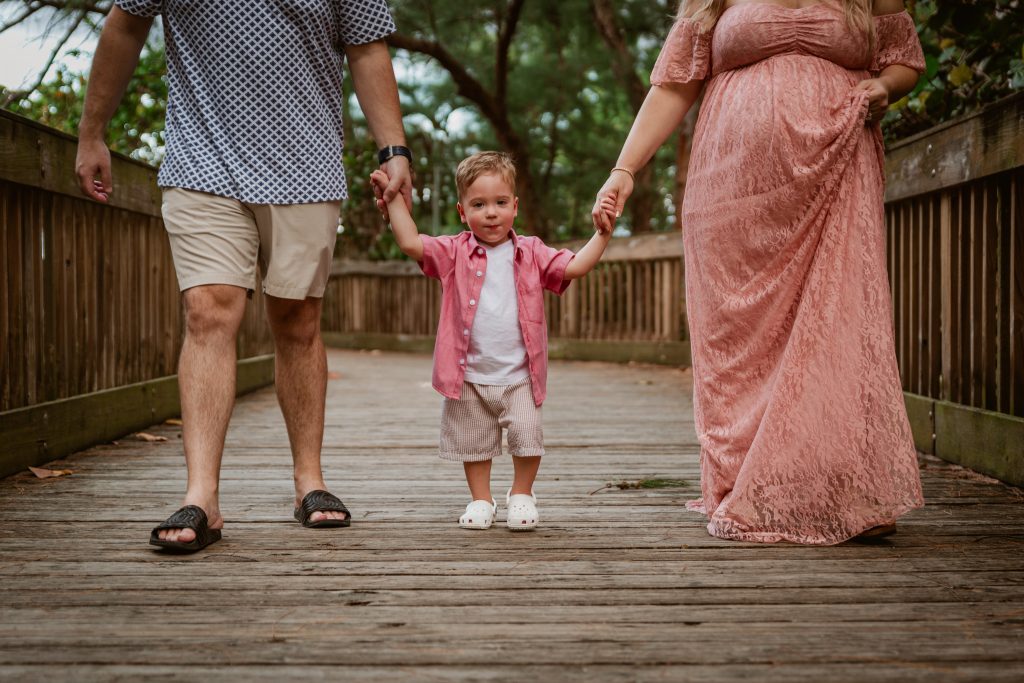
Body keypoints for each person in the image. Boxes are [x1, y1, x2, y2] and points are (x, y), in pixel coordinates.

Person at [75, 0, 413, 552]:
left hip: (307, 160)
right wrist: (93, 133)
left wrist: (393, 149)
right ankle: (202, 495)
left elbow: (367, 45)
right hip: (201, 159)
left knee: (297, 318)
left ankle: (310, 480)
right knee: (208, 309)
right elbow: (126, 22)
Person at [592, 0, 926, 544]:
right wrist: (624, 170)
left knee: (837, 322)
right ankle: (747, 481)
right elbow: (675, 83)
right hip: (733, 189)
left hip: (836, 169)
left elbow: (903, 58)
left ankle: (843, 490)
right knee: (739, 336)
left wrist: (887, 85)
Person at [373, 152, 613, 530]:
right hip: (468, 374)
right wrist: (393, 201)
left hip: (519, 373)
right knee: (474, 441)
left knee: (527, 434)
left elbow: (574, 267)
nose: (491, 213)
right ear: (462, 211)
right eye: (479, 205)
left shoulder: (531, 251)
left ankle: (521, 492)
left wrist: (602, 234)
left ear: (515, 207)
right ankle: (481, 499)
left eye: (501, 203)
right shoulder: (454, 252)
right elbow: (410, 243)